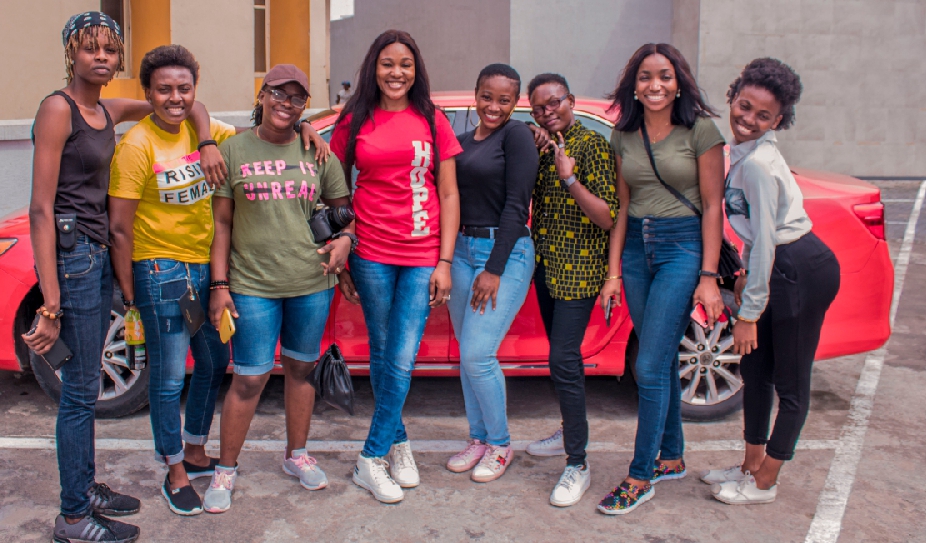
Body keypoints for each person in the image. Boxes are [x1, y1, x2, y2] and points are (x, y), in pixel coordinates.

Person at [26, 12, 220, 543]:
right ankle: (72, 516)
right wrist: (49, 302)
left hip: (94, 254)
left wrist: (205, 140)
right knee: (79, 392)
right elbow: (41, 209)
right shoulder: (58, 109)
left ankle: (85, 488)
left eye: (110, 50)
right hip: (73, 258)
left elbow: (190, 104)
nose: (102, 58)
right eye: (90, 48)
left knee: (86, 387)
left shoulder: (106, 109)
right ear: (71, 53)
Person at [203, 64, 353, 514]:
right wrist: (219, 284)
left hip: (311, 280)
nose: (286, 104)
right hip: (252, 283)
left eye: (297, 98)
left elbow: (343, 210)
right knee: (250, 377)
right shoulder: (234, 150)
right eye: (278, 94)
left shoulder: (317, 152)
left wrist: (346, 240)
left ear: (305, 105)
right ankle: (225, 469)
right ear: (262, 95)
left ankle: (296, 455)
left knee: (301, 369)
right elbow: (222, 224)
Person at [330, 30, 462, 504]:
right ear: (374, 67)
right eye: (387, 63)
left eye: (405, 64)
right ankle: (398, 444)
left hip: (423, 253)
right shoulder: (354, 119)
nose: (396, 72)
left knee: (402, 356)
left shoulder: (432, 118)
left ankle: (370, 457)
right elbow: (332, 183)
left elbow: (449, 192)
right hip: (370, 251)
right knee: (386, 352)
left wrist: (445, 261)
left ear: (416, 69)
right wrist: (343, 244)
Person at [107, 45, 239, 516]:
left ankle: (196, 450)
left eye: (184, 88)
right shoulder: (136, 145)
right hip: (161, 272)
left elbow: (254, 137)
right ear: (148, 93)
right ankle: (175, 470)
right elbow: (119, 229)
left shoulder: (203, 130)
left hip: (203, 269)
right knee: (166, 379)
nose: (175, 98)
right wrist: (129, 294)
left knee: (214, 360)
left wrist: (303, 128)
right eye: (164, 89)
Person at [704, 58, 840, 505]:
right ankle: (750, 463)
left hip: (798, 267)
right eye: (744, 106)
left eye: (763, 115)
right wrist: (745, 274)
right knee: (754, 370)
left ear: (778, 120)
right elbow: (755, 237)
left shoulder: (759, 164)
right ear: (733, 96)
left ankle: (766, 481)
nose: (748, 119)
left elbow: (766, 240)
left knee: (790, 382)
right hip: (776, 262)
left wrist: (748, 314)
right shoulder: (744, 152)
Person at [598, 43, 725, 515]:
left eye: (665, 76)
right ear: (633, 85)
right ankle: (670, 456)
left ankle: (640, 475)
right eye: (646, 76)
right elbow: (623, 206)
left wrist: (708, 276)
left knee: (648, 366)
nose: (655, 85)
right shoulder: (623, 135)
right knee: (663, 358)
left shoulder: (701, 131)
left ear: (679, 82)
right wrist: (614, 272)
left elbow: (712, 206)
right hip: (635, 250)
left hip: (682, 248)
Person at [524, 73, 619, 508]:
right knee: (563, 360)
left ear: (571, 101)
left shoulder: (592, 146)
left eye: (554, 103)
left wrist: (569, 179)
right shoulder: (545, 148)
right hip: (548, 270)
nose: (548, 112)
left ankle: (577, 463)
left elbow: (607, 217)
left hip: (579, 273)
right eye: (539, 108)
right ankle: (567, 430)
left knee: (563, 360)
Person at [444, 64, 538, 483]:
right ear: (476, 94)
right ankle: (478, 438)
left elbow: (518, 205)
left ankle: (500, 444)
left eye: (504, 100)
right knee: (468, 354)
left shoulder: (517, 136)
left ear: (515, 102)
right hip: (462, 251)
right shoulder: (462, 142)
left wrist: (494, 268)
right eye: (487, 97)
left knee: (478, 354)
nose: (494, 106)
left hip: (505, 251)